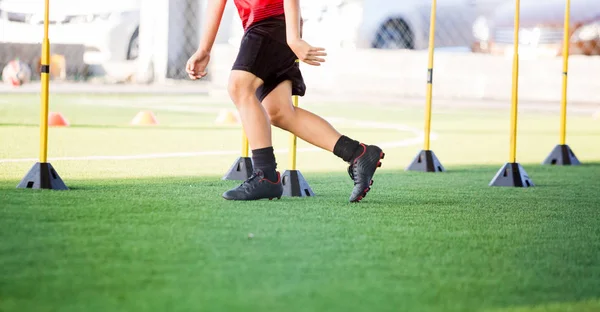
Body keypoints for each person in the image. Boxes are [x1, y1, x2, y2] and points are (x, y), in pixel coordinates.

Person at [186, 0, 385, 203]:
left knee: (239, 86)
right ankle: (358, 154)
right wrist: (204, 49)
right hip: (267, 24)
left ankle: (266, 175)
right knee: (278, 111)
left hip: (271, 21)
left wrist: (294, 38)